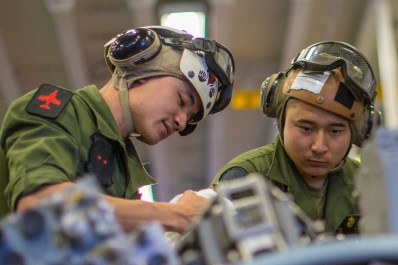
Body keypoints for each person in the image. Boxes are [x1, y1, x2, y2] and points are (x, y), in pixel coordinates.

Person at [0, 25, 235, 233]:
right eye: (182, 101)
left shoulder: (126, 169)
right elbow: (39, 204)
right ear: (142, 70)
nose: (181, 122)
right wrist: (175, 214)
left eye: (190, 118)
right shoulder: (61, 112)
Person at [211, 40, 378, 235]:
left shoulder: (369, 185)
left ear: (359, 132)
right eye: (306, 128)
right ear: (281, 122)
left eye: (335, 131)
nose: (319, 146)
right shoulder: (241, 180)